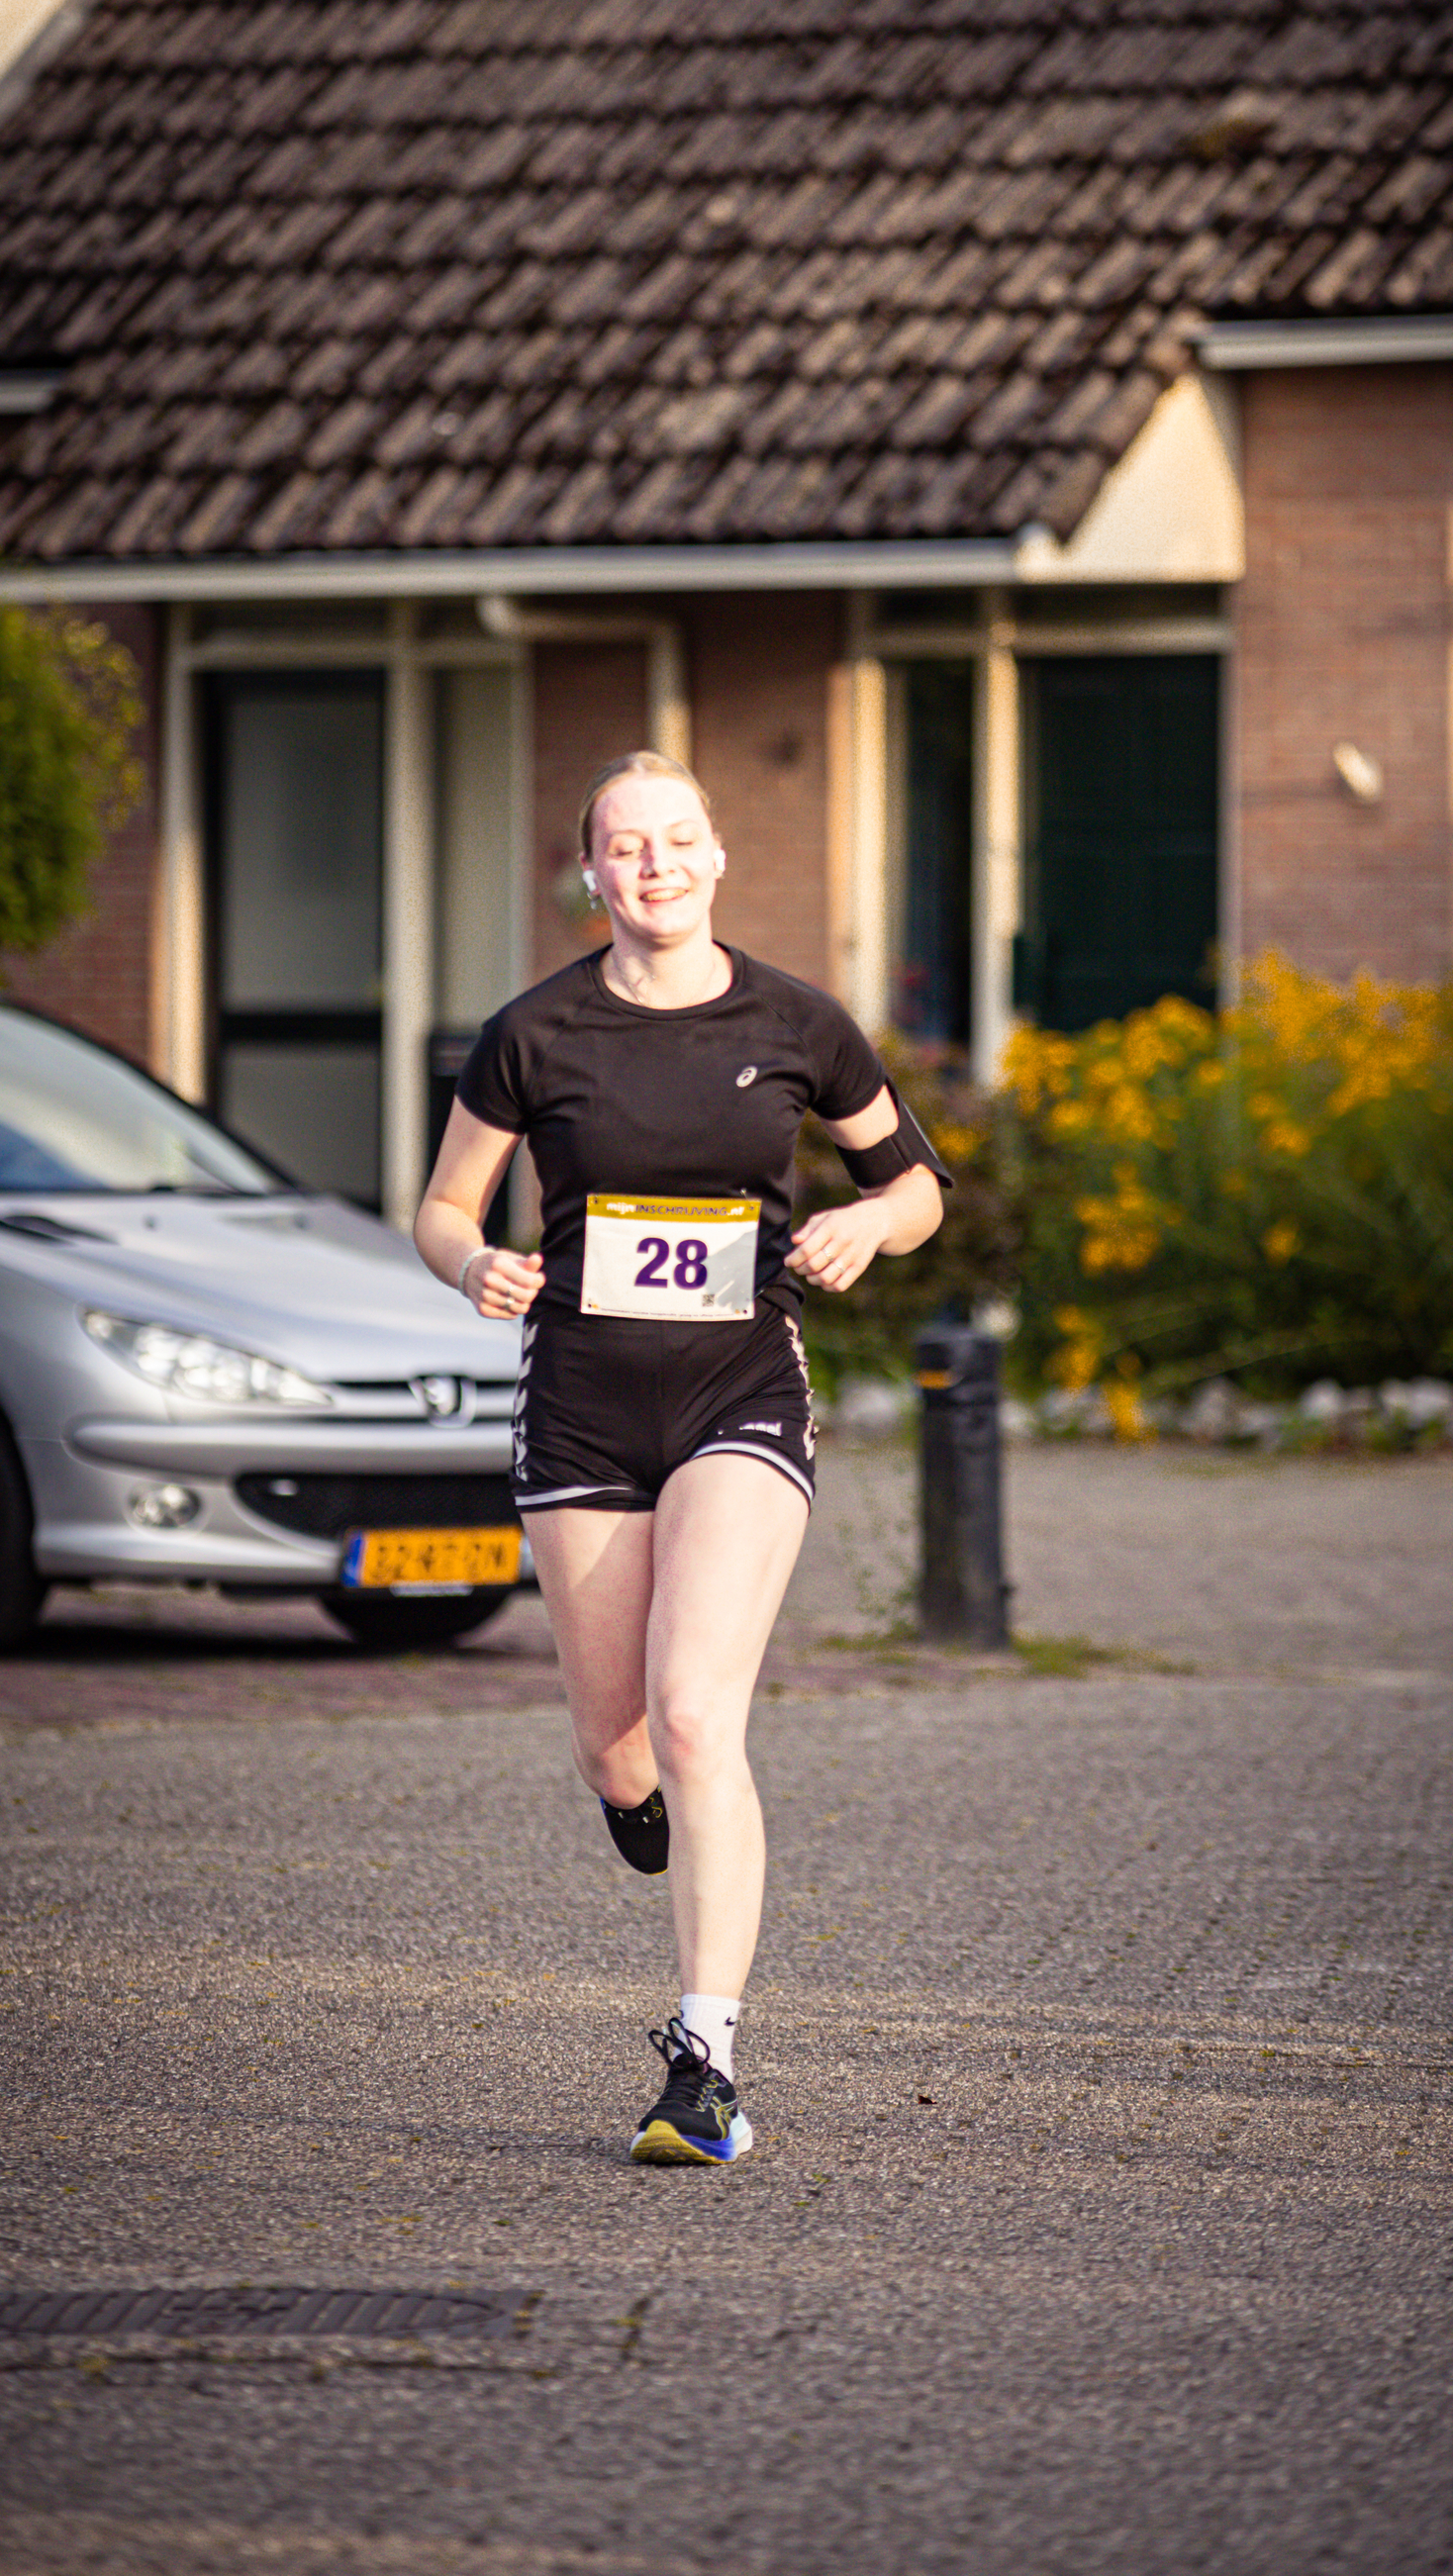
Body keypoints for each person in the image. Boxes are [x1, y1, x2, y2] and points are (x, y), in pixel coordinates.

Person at [415, 749, 946, 2164]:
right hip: (581, 1413)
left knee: (700, 1711)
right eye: (623, 846)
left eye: (676, 840)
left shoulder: (798, 1021)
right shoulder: (534, 1035)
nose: (652, 865)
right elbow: (442, 1204)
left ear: (716, 858)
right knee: (616, 1739)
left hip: (738, 1393)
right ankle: (635, 1799)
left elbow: (914, 1182)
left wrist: (864, 1228)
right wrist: (474, 1263)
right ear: (590, 874)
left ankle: (704, 2061)